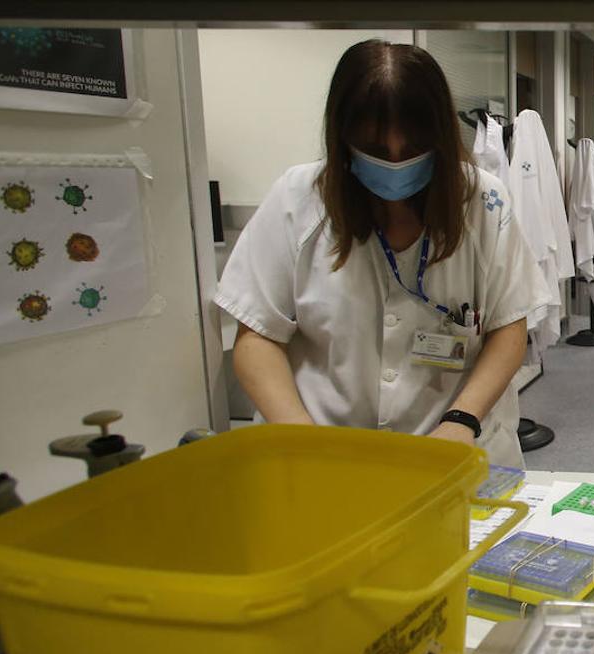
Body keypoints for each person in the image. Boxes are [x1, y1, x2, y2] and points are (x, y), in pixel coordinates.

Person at [215, 40, 548, 467]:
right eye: (374, 150)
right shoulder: (297, 200)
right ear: (343, 140)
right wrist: (302, 437)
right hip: (327, 458)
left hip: (456, 457)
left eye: (411, 151)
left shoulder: (485, 203)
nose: (395, 165)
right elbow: (258, 334)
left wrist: (461, 421)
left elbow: (508, 327)